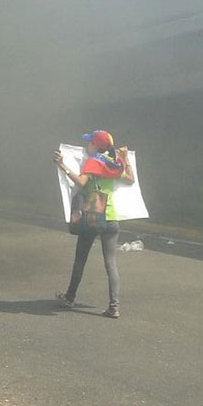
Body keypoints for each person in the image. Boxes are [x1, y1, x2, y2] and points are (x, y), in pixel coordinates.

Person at [53, 130, 134, 319]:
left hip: (92, 218)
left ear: (96, 146)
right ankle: (114, 307)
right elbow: (130, 180)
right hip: (112, 219)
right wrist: (125, 158)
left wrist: (62, 165)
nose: (87, 145)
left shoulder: (92, 163)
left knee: (80, 259)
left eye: (90, 143)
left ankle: (70, 297)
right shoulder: (114, 164)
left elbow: (81, 182)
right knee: (110, 263)